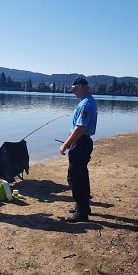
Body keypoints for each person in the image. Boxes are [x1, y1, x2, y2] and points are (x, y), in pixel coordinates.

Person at [59, 77, 97, 222]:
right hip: (82, 143)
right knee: (81, 175)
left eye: (74, 90)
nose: (74, 93)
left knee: (75, 177)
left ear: (81, 87)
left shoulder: (86, 104)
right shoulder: (87, 101)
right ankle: (84, 206)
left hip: (80, 143)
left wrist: (65, 144)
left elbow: (80, 128)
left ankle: (81, 213)